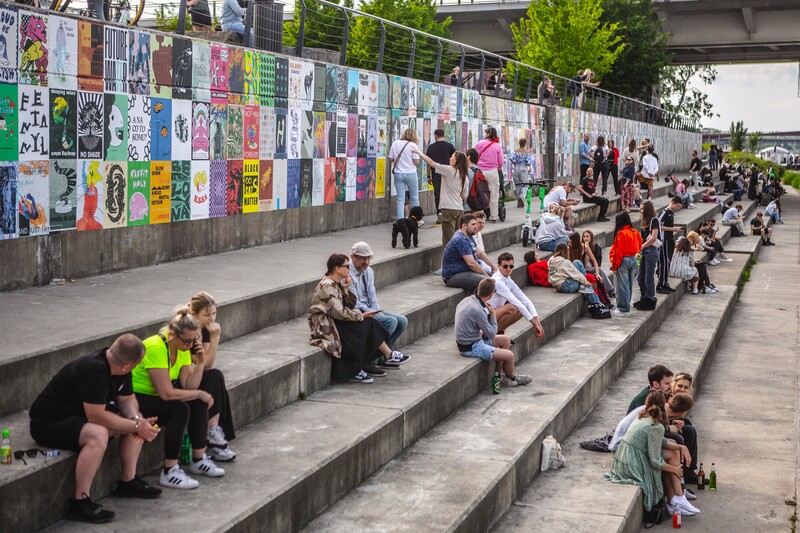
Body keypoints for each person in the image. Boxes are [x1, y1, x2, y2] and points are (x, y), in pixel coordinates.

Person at [29, 334, 161, 523]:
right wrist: (136, 426)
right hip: (49, 423)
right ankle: (80, 502)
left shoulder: (120, 365)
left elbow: (127, 399)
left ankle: (128, 482)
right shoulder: (92, 370)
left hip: (79, 417)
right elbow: (96, 416)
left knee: (135, 418)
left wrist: (136, 420)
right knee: (98, 434)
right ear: (126, 366)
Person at [133, 309, 226, 489]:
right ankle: (169, 470)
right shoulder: (156, 347)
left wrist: (200, 362)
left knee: (196, 402)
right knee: (179, 409)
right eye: (187, 341)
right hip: (136, 398)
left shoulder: (183, 348)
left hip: (156, 397)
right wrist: (200, 393)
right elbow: (166, 394)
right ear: (172, 335)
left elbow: (189, 386)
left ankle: (198, 459)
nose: (190, 345)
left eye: (194, 340)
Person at [309, 254, 403, 384]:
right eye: (346, 266)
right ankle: (380, 358)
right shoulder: (327, 285)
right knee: (363, 325)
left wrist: (346, 288)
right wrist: (361, 316)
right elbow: (339, 312)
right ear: (337, 268)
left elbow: (349, 304)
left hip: (335, 319)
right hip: (324, 324)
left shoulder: (336, 283)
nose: (349, 269)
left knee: (367, 323)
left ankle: (383, 357)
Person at [604, 392, 699, 517]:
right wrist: (675, 469)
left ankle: (675, 500)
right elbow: (655, 461)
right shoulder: (656, 426)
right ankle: (678, 497)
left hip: (625, 456)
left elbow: (661, 440)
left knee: (673, 444)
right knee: (672, 455)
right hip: (632, 463)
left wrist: (681, 447)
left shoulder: (643, 415)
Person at [454, 278, 532, 387]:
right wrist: (493, 315)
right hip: (471, 347)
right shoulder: (478, 310)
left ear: (478, 289)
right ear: (491, 295)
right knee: (509, 355)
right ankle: (512, 377)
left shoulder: (467, 300)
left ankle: (498, 375)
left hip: (471, 340)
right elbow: (491, 334)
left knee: (506, 340)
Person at [187, 292, 236, 462]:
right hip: (181, 378)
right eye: (206, 315)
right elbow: (205, 363)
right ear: (194, 314)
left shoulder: (204, 328)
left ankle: (214, 434)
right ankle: (214, 437)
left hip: (195, 373)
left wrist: (212, 336)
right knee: (214, 377)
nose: (211, 318)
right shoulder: (188, 330)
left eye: (214, 313)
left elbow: (207, 361)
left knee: (216, 377)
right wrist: (216, 337)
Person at [348, 241, 411, 370]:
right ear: (353, 257)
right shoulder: (347, 273)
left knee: (402, 321)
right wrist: (374, 312)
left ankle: (380, 356)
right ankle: (371, 360)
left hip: (369, 309)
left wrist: (377, 310)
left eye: (369, 258)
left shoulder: (369, 271)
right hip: (357, 311)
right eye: (363, 258)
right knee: (390, 322)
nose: (366, 262)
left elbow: (372, 296)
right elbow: (355, 302)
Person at [414, 144, 467, 245]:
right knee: (458, 238)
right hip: (459, 209)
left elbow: (431, 162)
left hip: (448, 209)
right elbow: (464, 196)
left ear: (456, 161)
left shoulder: (448, 170)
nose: (450, 158)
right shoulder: (464, 176)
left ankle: (448, 255)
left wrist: (418, 152)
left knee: (448, 239)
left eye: (452, 157)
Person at [488, 252, 545, 340]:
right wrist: (534, 324)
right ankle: (489, 336)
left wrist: (538, 323)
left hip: (494, 313)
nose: (508, 269)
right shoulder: (497, 281)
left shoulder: (508, 279)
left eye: (511, 266)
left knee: (523, 307)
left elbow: (526, 301)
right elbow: (515, 302)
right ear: (498, 266)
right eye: (505, 266)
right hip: (485, 315)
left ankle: (500, 333)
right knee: (512, 308)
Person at [441, 213, 490, 292]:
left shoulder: (468, 236)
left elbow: (480, 253)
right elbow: (471, 264)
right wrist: (487, 277)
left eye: (475, 224)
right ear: (464, 226)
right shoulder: (460, 239)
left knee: (494, 275)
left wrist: (493, 269)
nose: (476, 227)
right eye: (473, 224)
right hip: (452, 276)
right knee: (486, 282)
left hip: (464, 272)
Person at [609, 212, 642, 317]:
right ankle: (626, 306)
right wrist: (638, 263)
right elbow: (640, 248)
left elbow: (618, 251)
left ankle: (623, 309)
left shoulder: (621, 233)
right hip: (634, 259)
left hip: (623, 260)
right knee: (629, 285)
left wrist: (615, 266)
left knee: (622, 286)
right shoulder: (635, 232)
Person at [388, 128, 421, 222]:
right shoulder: (413, 145)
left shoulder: (395, 143)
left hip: (398, 174)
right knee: (414, 198)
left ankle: (400, 222)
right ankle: (416, 220)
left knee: (400, 199)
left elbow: (390, 159)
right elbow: (416, 162)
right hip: (411, 174)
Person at [425, 128, 456, 224]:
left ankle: (439, 214)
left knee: (438, 194)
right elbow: (455, 160)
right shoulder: (450, 146)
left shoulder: (431, 147)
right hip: (448, 174)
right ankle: (448, 213)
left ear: (435, 136)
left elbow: (429, 163)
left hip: (436, 174)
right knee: (448, 193)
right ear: (443, 135)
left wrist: (428, 176)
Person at [474, 127, 504, 222]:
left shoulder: (480, 144)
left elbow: (475, 155)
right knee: (494, 194)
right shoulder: (497, 146)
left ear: (487, 134)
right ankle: (494, 216)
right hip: (492, 172)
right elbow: (501, 162)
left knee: (480, 193)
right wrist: (497, 166)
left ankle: (480, 216)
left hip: (480, 172)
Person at [635, 200, 660, 311]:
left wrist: (641, 247)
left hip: (651, 251)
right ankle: (644, 297)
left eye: (642, 209)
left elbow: (653, 238)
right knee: (640, 277)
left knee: (648, 276)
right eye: (640, 209)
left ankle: (650, 298)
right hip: (643, 251)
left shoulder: (654, 220)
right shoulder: (645, 221)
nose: (641, 211)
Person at [656, 196, 683, 294]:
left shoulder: (671, 213)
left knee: (667, 262)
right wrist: (673, 229)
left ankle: (665, 283)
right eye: (677, 206)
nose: (678, 208)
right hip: (664, 240)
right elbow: (658, 225)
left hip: (669, 238)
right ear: (673, 203)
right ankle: (660, 285)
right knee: (664, 262)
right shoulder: (665, 212)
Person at [509, 139, 533, 208]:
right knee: (525, 184)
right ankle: (521, 197)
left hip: (516, 168)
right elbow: (529, 162)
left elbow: (512, 160)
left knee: (517, 185)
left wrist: (516, 164)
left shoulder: (515, 152)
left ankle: (518, 201)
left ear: (519, 143)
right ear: (525, 144)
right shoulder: (527, 153)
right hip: (523, 168)